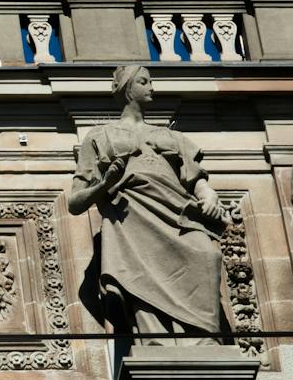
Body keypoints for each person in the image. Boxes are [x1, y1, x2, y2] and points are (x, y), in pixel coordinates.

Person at [67, 63, 228, 343]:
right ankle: (158, 343)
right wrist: (104, 186)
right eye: (144, 81)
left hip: (178, 213)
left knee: (207, 255)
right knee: (141, 276)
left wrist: (208, 195)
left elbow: (197, 179)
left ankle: (204, 341)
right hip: (132, 218)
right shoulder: (100, 136)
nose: (152, 87)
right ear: (128, 89)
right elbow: (75, 201)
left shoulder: (171, 136)